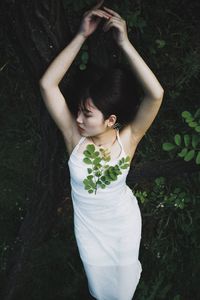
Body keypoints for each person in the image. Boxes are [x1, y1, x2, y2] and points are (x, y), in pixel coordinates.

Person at [39, 0, 164, 299]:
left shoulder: (129, 139)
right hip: (89, 233)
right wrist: (81, 36)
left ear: (110, 120)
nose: (78, 118)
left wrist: (125, 43)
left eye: (86, 113)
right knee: (99, 289)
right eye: (79, 110)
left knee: (121, 293)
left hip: (122, 226)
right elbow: (47, 85)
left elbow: (156, 94)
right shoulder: (75, 138)